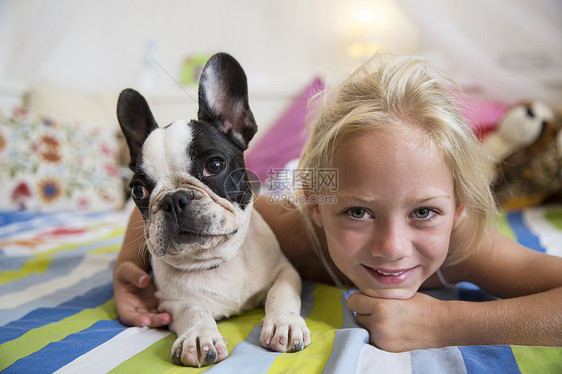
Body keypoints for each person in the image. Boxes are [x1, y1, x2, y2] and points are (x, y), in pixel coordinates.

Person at [113, 55, 562, 351]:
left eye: (424, 212)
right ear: (317, 208)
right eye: (358, 212)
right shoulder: (293, 225)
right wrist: (127, 266)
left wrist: (449, 324)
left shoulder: (464, 244)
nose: (392, 246)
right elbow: (168, 200)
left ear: (459, 207)